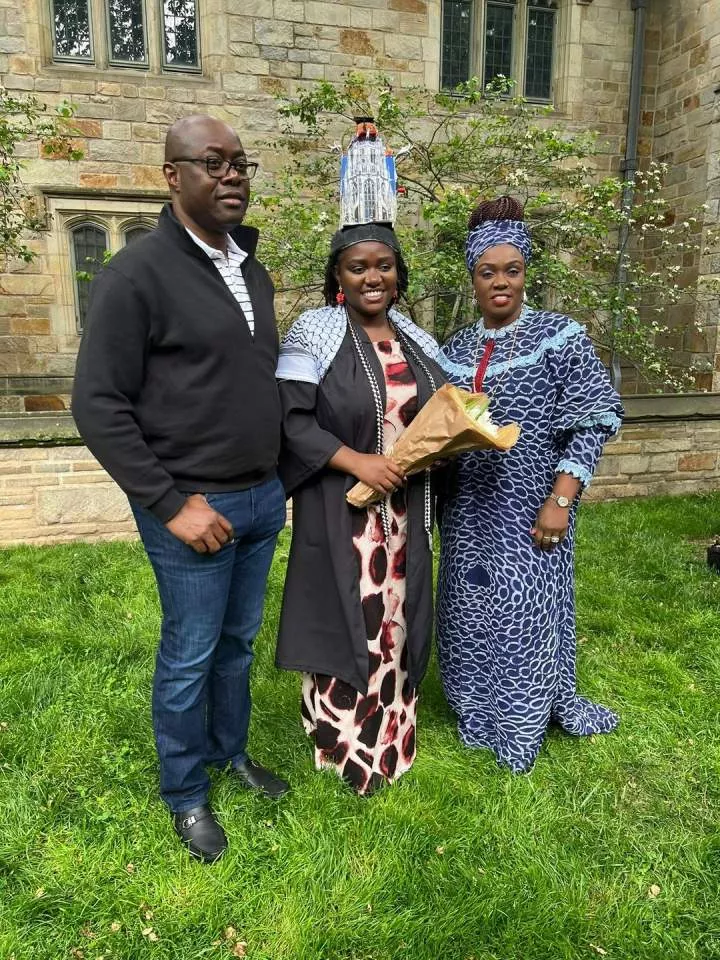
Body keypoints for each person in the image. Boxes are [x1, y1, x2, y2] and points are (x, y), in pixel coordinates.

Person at [72, 114, 289, 864]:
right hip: (193, 506)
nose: (232, 175)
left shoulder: (250, 270)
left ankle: (231, 756)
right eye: (212, 162)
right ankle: (186, 795)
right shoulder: (136, 274)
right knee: (191, 652)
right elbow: (97, 402)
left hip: (262, 498)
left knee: (236, 646)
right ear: (173, 175)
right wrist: (170, 505)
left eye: (241, 163)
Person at [436, 196, 623, 774]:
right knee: (467, 609)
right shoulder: (458, 347)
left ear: (526, 273)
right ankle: (475, 712)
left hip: (531, 506)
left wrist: (561, 500)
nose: (501, 283)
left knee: (524, 611)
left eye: (511, 270)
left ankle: (519, 724)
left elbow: (593, 422)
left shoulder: (558, 336)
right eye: (487, 272)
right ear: (472, 278)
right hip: (469, 508)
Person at [275, 223, 447, 795]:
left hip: (404, 513)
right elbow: (293, 419)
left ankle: (393, 736)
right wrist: (358, 461)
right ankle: (343, 746)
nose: (373, 277)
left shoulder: (418, 339)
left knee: (397, 620)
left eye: (384, 266)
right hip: (340, 511)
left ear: (398, 275)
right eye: (358, 267)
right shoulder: (315, 331)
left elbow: (443, 416)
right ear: (338, 278)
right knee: (349, 616)